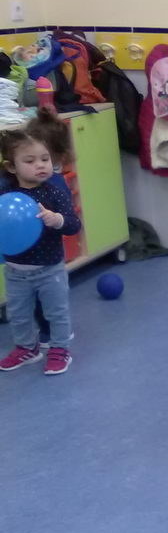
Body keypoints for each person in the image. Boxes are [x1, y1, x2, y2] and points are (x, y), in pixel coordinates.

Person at [0, 113, 81, 375]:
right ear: (12, 167)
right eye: (30, 160)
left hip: (49, 269)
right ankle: (27, 348)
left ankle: (60, 348)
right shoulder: (6, 193)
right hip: (15, 270)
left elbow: (73, 224)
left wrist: (56, 219)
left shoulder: (53, 192)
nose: (41, 166)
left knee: (57, 312)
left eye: (45, 159)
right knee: (19, 314)